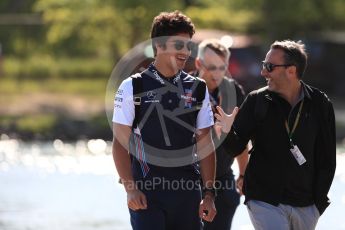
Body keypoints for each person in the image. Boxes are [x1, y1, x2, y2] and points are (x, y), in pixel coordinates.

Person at [112, 11, 217, 230]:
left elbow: (206, 144)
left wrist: (208, 194)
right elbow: (120, 143)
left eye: (188, 46)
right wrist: (130, 188)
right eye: (178, 45)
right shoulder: (133, 86)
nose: (185, 52)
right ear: (158, 46)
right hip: (147, 195)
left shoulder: (198, 88)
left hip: (187, 193)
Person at [216, 40, 336, 230]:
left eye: (269, 67)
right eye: (264, 65)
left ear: (291, 70)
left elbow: (327, 158)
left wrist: (318, 203)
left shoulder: (320, 104)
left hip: (306, 205)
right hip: (264, 200)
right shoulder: (257, 100)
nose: (263, 72)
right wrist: (226, 130)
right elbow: (236, 148)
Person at [193, 39, 249, 230]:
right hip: (187, 180)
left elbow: (242, 137)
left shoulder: (233, 90)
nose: (217, 73)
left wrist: (243, 175)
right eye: (211, 67)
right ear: (199, 64)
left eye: (222, 67)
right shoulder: (184, 88)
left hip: (223, 178)